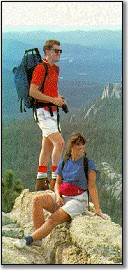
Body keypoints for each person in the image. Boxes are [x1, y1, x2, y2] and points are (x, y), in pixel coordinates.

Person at [14, 132, 107, 249]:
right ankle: (38, 239)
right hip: (63, 196)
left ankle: (28, 240)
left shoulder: (88, 164)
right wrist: (57, 196)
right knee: (37, 200)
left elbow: (92, 187)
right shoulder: (64, 161)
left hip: (77, 200)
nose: (81, 148)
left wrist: (97, 209)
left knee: (53, 218)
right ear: (72, 146)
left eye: (83, 145)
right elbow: (57, 183)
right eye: (78, 145)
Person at [29, 39, 67, 191]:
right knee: (60, 143)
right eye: (56, 51)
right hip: (42, 112)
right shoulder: (40, 68)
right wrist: (53, 100)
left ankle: (40, 181)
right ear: (47, 51)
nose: (59, 53)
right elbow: (33, 91)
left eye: (60, 51)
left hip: (52, 112)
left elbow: (51, 89)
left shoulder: (55, 69)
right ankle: (54, 181)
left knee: (47, 146)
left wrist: (59, 100)